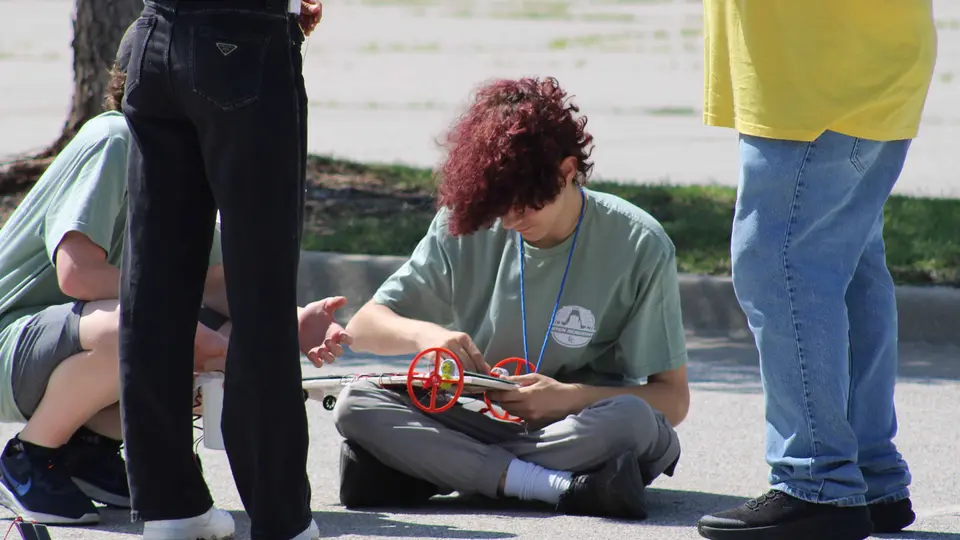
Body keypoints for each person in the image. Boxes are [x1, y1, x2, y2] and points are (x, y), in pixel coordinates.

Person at [330, 76, 689, 520]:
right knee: (357, 403)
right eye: (500, 203)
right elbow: (364, 326)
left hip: (576, 425)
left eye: (526, 203)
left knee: (634, 423)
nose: (511, 218)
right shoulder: (467, 223)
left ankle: (429, 470)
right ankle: (556, 487)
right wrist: (427, 336)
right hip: (482, 421)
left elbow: (673, 401)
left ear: (568, 171)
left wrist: (567, 398)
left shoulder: (640, 244)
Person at [694, 3, 938, 540]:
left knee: (780, 267)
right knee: (848, 267)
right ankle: (868, 473)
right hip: (849, 69)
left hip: (815, 82)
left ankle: (818, 481)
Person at [117, 1, 328, 540]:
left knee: (153, 285)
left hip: (154, 36)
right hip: (242, 40)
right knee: (261, 289)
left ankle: (170, 506)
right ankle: (280, 516)